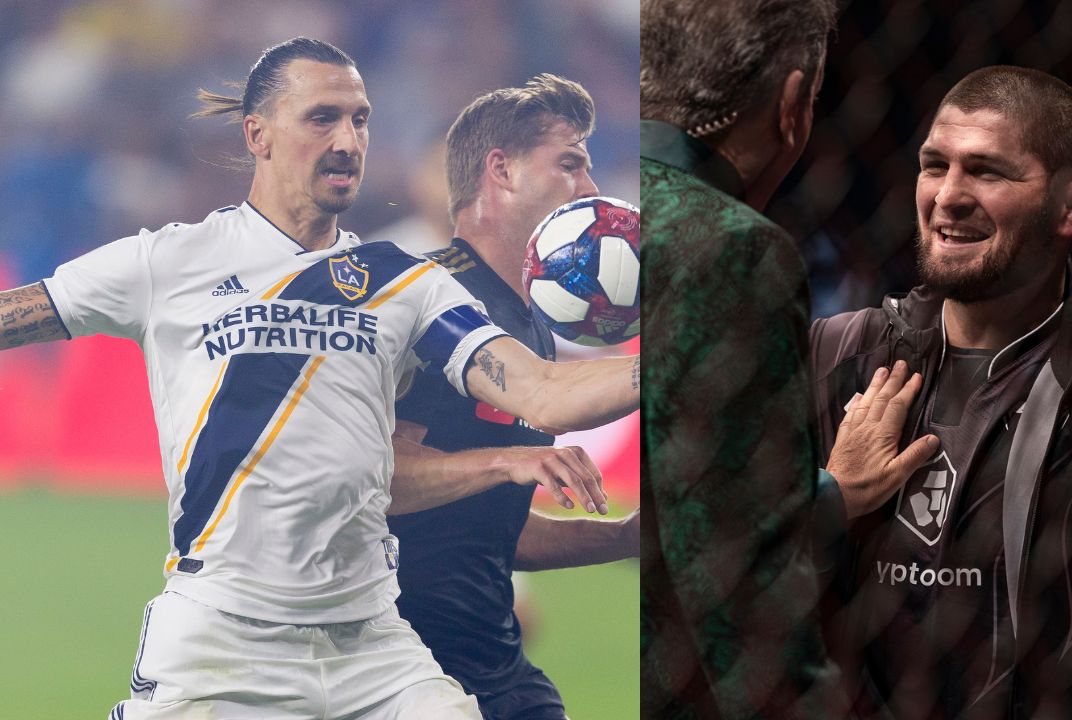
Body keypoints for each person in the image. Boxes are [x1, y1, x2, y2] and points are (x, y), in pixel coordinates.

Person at [0, 37, 639, 719]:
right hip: (223, 637)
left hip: (372, 647)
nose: (347, 139)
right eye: (322, 118)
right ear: (259, 134)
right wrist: (504, 460)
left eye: (360, 120)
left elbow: (541, 388)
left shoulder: (406, 282)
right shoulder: (172, 260)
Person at [810, 66, 1072, 718]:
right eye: (935, 165)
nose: (947, 196)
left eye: (987, 172)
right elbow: (728, 568)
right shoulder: (839, 354)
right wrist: (831, 499)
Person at [640, 1, 936, 716]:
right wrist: (829, 497)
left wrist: (822, 495)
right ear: (795, 104)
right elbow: (738, 585)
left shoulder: (543, 199)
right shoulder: (728, 247)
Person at [385, 74, 640, 720]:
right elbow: (374, 480)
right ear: (501, 170)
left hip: (490, 661)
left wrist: (628, 538)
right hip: (393, 664)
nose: (589, 188)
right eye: (570, 164)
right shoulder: (425, 297)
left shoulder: (533, 327)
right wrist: (508, 461)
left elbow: (497, 529)